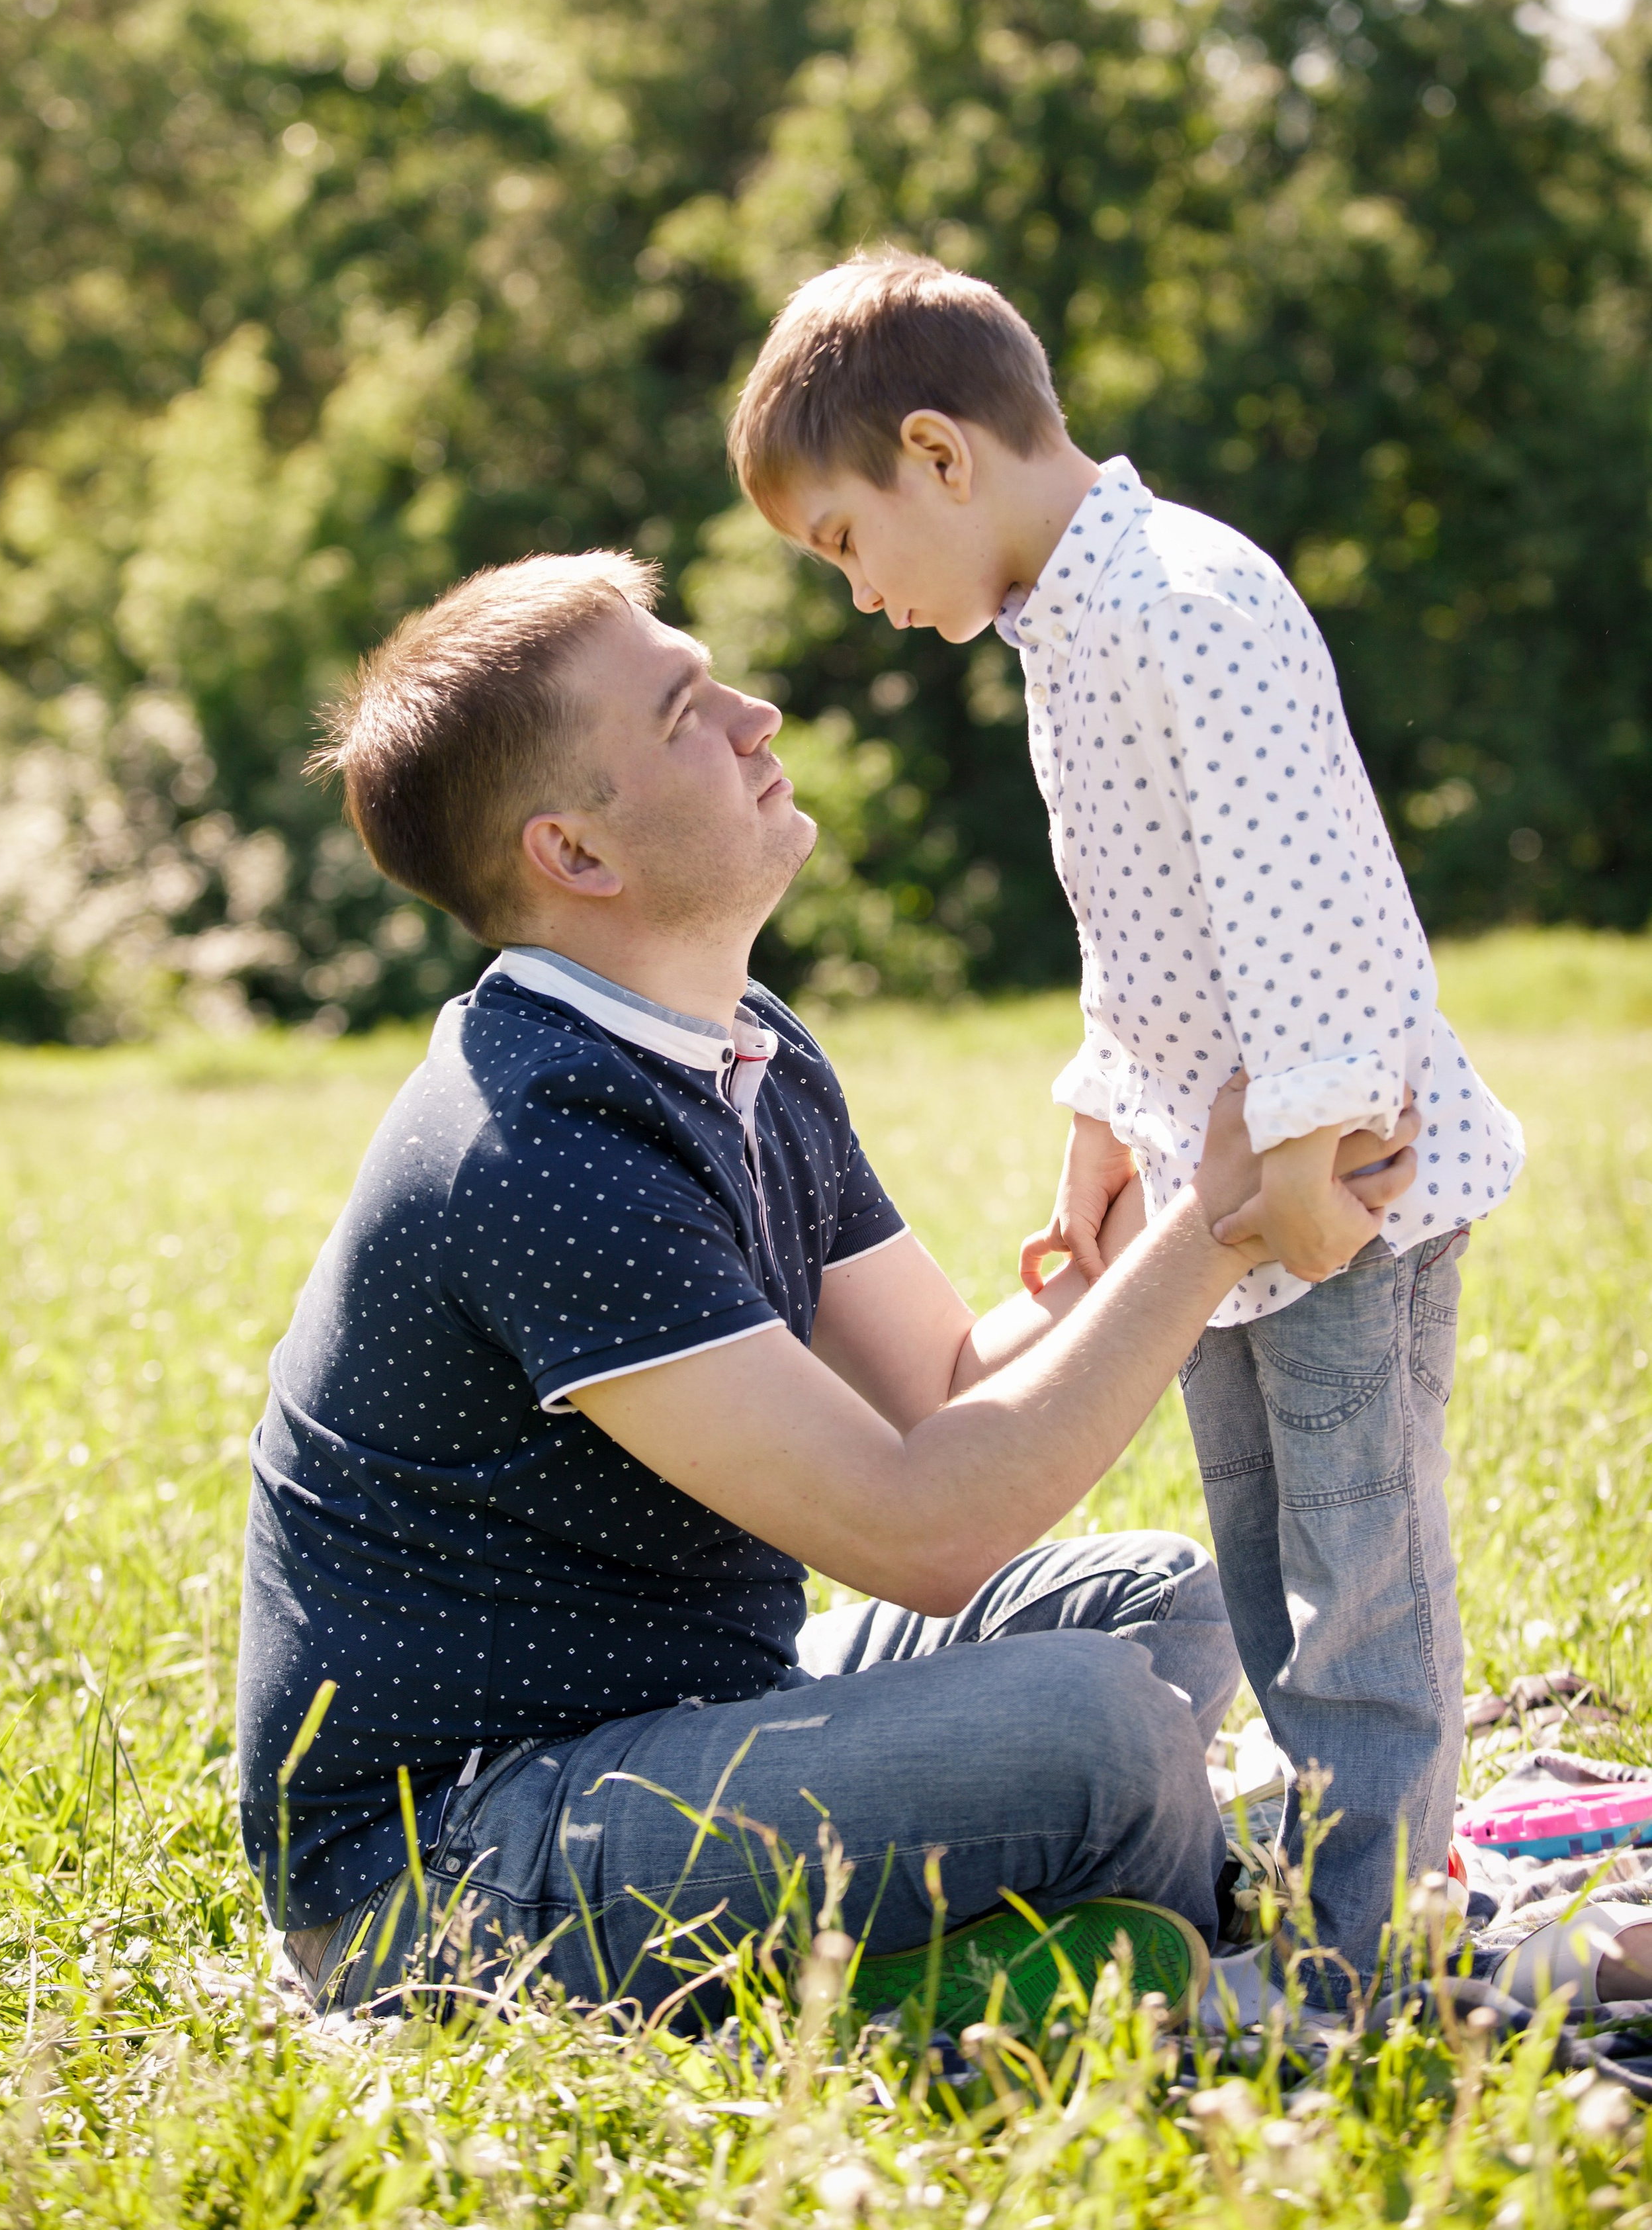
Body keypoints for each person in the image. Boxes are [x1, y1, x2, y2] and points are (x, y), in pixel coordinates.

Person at [237, 549, 1417, 2024]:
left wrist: (1137, 1223)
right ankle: (1257, 1969)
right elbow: (925, 1530)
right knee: (1104, 1728)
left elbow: (940, 1390)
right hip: (450, 1865)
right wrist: (1215, 1231)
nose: (757, 712)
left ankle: (987, 1948)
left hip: (689, 1705)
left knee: (1154, 1602)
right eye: (683, 711)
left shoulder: (743, 1045)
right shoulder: (537, 1145)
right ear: (576, 855)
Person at [729, 249, 1523, 1995]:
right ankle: (1340, 1863)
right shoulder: (1066, 620)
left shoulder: (1186, 599)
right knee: (1260, 1548)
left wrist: (1309, 1160)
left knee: (1354, 1565)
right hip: (1222, 1180)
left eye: (847, 542)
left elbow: (1300, 883)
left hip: (1334, 1181)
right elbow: (1142, 911)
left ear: (940, 456)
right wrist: (1110, 1115)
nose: (856, 595)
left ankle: (1374, 1939)